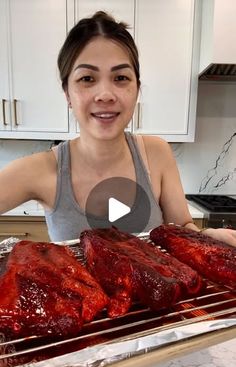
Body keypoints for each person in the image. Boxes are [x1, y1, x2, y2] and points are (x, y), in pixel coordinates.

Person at [0, 11, 235, 246]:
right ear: (67, 93)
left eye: (121, 78)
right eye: (87, 79)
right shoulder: (39, 170)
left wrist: (205, 237)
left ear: (137, 89)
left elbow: (182, 227)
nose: (105, 95)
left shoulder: (157, 153)